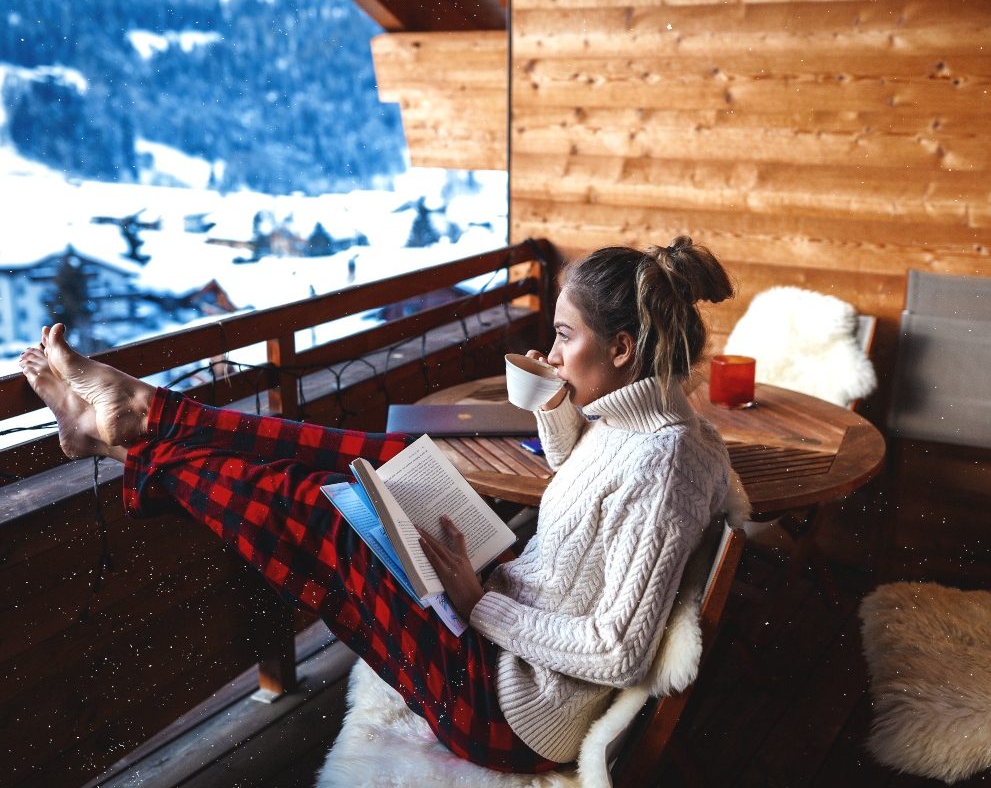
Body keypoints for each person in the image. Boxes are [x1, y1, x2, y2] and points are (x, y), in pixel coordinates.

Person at [19, 235, 736, 773]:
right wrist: (557, 411)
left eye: (563, 336)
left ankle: (126, 443)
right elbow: (611, 488)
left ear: (621, 348)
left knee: (326, 521)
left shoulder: (663, 463)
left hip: (510, 708)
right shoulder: (658, 427)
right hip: (514, 623)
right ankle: (146, 415)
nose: (549, 351)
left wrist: (480, 604)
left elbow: (617, 650)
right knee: (380, 457)